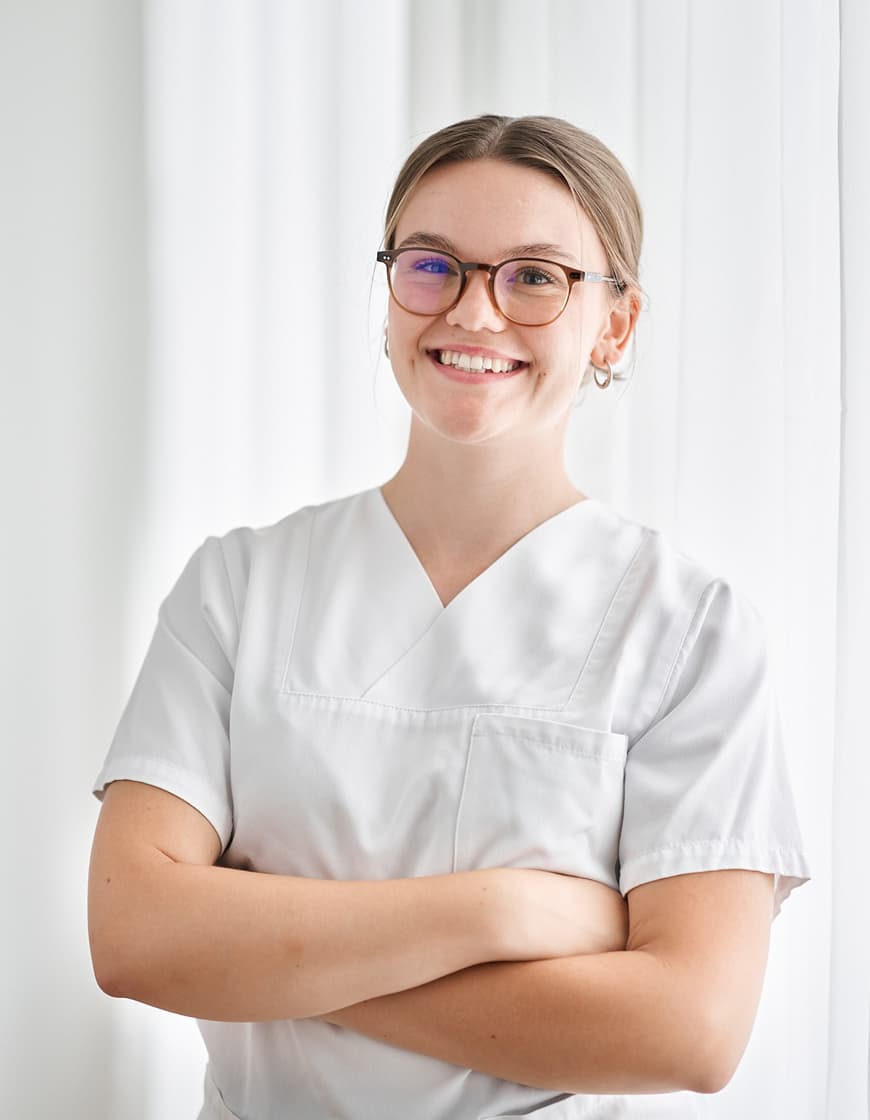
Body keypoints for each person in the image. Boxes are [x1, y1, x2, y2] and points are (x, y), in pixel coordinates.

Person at [88, 114, 811, 1120]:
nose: (474, 313)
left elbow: (689, 1029)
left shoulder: (690, 631)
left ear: (615, 322)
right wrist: (504, 908)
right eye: (433, 266)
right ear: (388, 296)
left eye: (535, 275)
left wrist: (264, 956)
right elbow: (137, 940)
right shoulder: (237, 587)